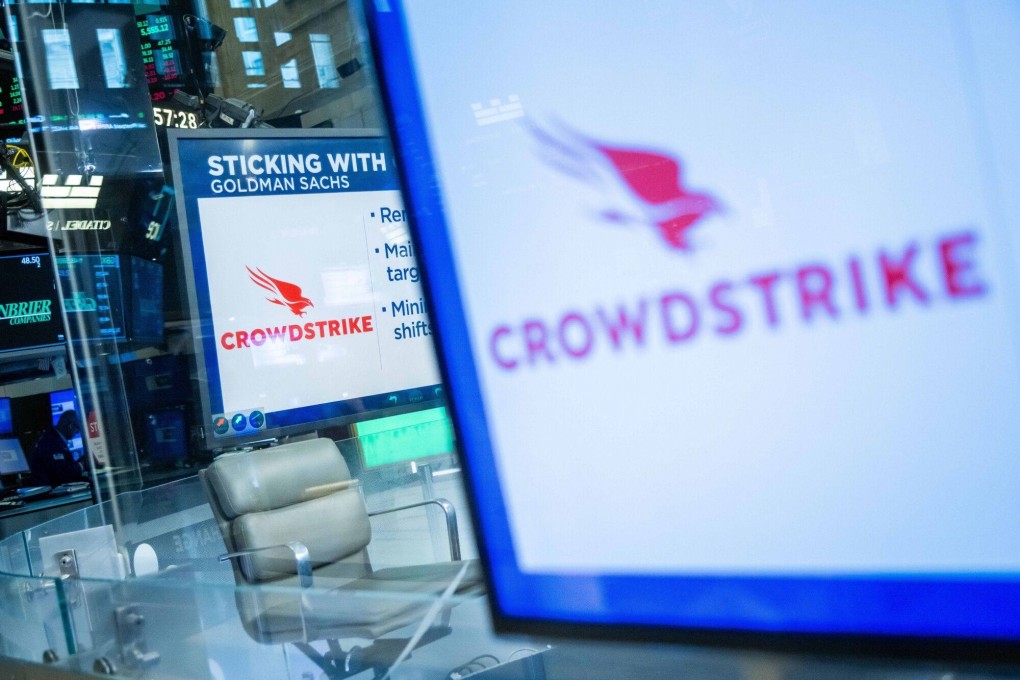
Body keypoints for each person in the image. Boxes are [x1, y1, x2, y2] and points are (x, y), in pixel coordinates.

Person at [29, 410, 86, 487]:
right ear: (71, 426)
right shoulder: (50, 442)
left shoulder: (53, 438)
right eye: (78, 429)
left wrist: (82, 460)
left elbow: (63, 466)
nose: (77, 433)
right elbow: (62, 474)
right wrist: (81, 465)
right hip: (51, 493)